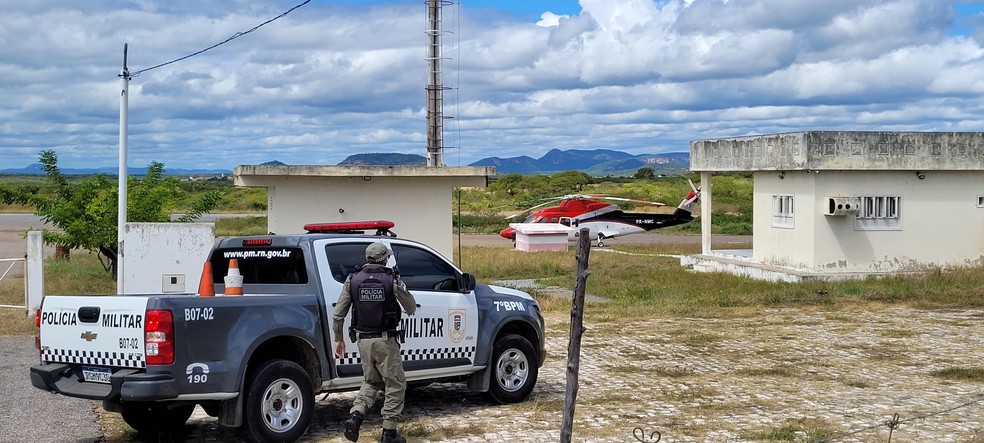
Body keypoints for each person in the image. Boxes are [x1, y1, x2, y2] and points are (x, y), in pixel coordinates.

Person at [332, 242, 417, 443]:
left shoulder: (352, 279)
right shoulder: (391, 280)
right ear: (385, 258)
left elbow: (338, 315)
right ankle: (389, 433)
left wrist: (338, 339)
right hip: (386, 341)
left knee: (372, 381)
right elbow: (411, 307)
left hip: (363, 341)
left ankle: (356, 415)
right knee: (395, 384)